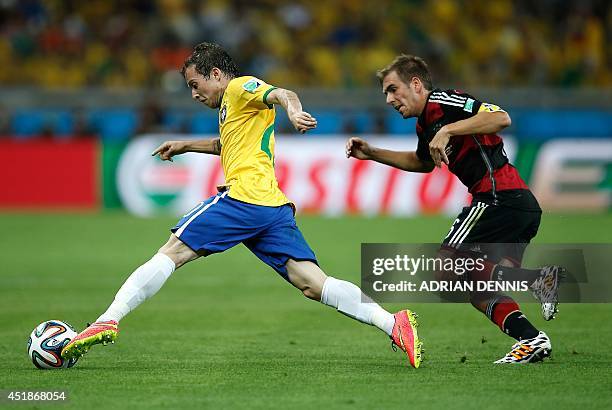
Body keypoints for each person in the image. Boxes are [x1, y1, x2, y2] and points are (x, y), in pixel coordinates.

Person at [61, 43, 423, 368]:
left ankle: (108, 318)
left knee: (172, 251)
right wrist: (185, 145)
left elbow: (284, 93)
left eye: (194, 84)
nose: (193, 94)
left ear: (215, 74)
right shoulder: (232, 107)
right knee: (313, 283)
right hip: (271, 206)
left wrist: (294, 112)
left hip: (244, 198)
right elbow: (227, 145)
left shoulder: (239, 87)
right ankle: (393, 323)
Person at [346, 54, 562, 364]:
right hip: (517, 206)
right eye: (385, 94)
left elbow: (501, 117)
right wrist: (372, 153)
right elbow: (422, 163)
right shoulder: (425, 124)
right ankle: (531, 339)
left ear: (416, 84)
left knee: (445, 265)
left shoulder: (444, 102)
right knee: (476, 288)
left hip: (498, 197)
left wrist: (448, 131)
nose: (390, 99)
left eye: (393, 89)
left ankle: (538, 280)